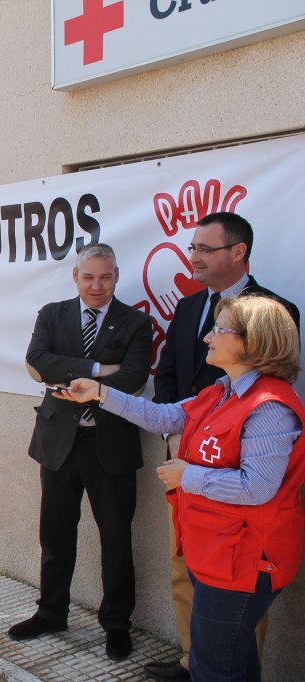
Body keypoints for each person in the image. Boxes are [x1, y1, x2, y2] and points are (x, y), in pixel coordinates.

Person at [56, 295, 304, 681]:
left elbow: (258, 487)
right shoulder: (221, 391)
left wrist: (186, 476)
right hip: (218, 553)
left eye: (220, 330)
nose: (208, 337)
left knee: (215, 668)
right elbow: (165, 416)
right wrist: (100, 393)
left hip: (243, 561)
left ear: (251, 341)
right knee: (230, 663)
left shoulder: (268, 407)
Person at [147, 212, 300, 681]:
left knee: (231, 612)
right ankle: (194, 660)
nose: (193, 257)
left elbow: (258, 479)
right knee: (185, 567)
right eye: (191, 248)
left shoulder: (272, 311)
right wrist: (176, 430)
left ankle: (219, 663)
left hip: (232, 495)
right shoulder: (189, 307)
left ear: (238, 252)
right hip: (186, 462)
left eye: (205, 249)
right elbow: (169, 374)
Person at [9, 243, 153, 661]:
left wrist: (72, 368)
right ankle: (51, 612)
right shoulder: (52, 314)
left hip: (110, 447)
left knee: (116, 540)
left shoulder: (136, 322)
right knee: (55, 534)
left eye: (105, 277)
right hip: (59, 445)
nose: (97, 285)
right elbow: (37, 360)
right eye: (88, 277)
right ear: (75, 277)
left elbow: (134, 379)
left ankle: (116, 626)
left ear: (117, 276)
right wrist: (96, 370)